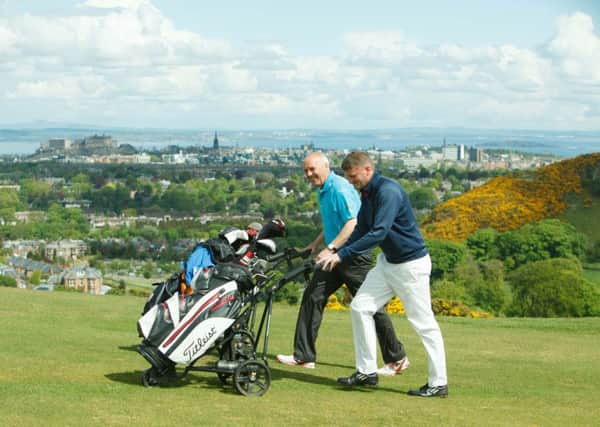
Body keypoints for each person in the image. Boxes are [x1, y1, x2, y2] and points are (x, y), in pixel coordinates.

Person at [317, 151, 448, 398]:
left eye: (353, 175)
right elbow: (362, 228)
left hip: (411, 266)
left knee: (424, 324)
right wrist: (334, 248)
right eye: (348, 176)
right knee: (360, 307)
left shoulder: (388, 192)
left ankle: (438, 383)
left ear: (367, 170)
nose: (351, 180)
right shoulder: (367, 192)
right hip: (388, 263)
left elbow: (378, 233)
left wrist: (341, 256)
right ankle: (366, 372)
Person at [276, 152, 409, 375]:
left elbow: (352, 223)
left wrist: (330, 249)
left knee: (371, 306)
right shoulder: (324, 190)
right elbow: (333, 224)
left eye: (312, 169)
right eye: (305, 171)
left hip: (353, 257)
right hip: (336, 256)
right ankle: (303, 356)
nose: (309, 174)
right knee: (313, 296)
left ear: (325, 166)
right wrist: (315, 244)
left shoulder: (339, 188)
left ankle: (397, 358)